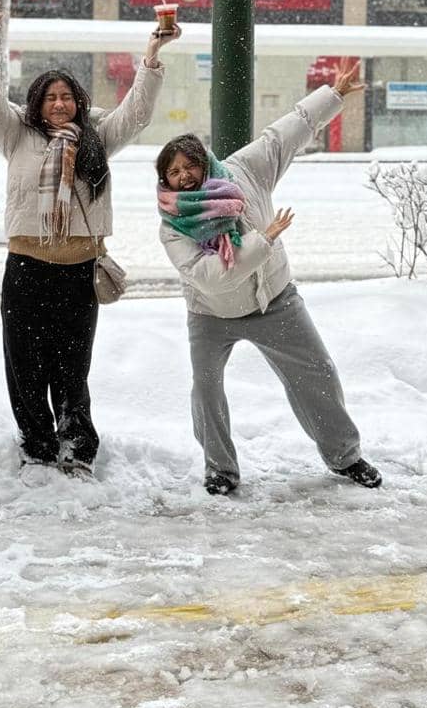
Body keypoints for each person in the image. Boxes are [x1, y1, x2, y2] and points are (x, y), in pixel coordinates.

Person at [0, 0, 179, 477]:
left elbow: (137, 113)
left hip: (79, 272)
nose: (59, 104)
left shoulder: (97, 138)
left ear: (78, 102)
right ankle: (37, 447)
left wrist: (151, 58)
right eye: (50, 97)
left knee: (72, 367)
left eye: (66, 97)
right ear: (37, 103)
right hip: (26, 268)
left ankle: (78, 447)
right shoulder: (15, 133)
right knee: (24, 367)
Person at [156, 59, 381, 496]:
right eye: (174, 172)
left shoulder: (245, 170)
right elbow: (211, 277)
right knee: (206, 390)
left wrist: (332, 94)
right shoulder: (172, 225)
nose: (183, 177)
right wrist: (264, 240)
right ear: (164, 179)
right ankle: (220, 470)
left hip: (274, 299)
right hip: (211, 313)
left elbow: (284, 134)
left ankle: (345, 456)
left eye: (189, 166)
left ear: (205, 163)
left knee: (318, 373)